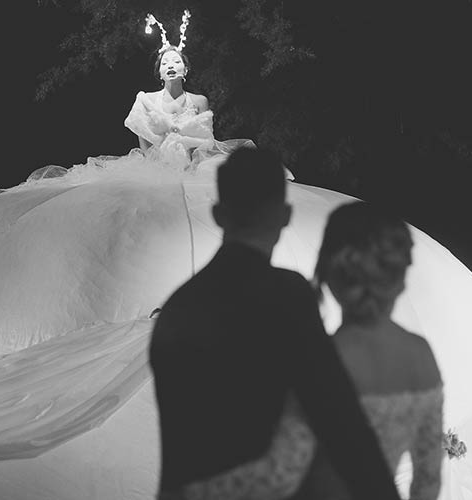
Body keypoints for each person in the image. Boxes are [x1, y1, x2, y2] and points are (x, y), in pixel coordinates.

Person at [149, 147, 401, 500]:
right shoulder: (287, 295)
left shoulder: (178, 307)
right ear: (285, 215)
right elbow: (338, 418)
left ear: (219, 214)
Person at [300, 201, 444, 499]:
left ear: (330, 276)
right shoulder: (419, 355)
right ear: (400, 279)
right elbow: (428, 480)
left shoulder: (316, 361)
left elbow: (281, 472)